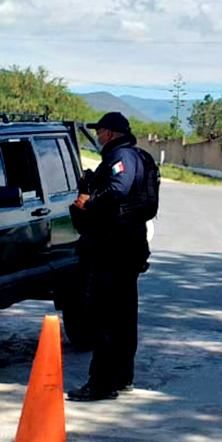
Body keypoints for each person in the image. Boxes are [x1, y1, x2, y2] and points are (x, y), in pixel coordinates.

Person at [67, 112, 153, 402]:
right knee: (124, 316)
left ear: (112, 133)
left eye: (101, 131)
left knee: (106, 316)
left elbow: (118, 190)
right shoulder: (133, 156)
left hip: (115, 249)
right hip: (126, 247)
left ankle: (102, 382)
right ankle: (121, 376)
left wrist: (89, 201)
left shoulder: (122, 158)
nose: (99, 136)